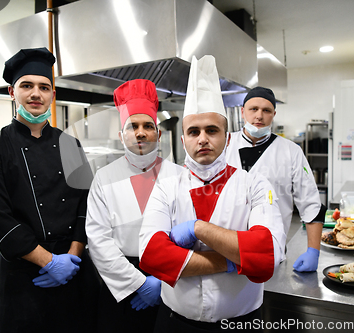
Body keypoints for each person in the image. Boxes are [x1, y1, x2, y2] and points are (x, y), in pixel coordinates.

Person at [138, 55, 286, 333]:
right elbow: (151, 255)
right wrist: (233, 261)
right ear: (183, 140)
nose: (202, 138)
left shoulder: (254, 185)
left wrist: (198, 229)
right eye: (193, 131)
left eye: (212, 130)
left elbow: (266, 258)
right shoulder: (166, 186)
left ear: (227, 138)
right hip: (175, 324)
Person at [0, 47, 99, 333]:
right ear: (12, 92)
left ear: (52, 96)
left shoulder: (70, 145)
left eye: (44, 87)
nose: (36, 94)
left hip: (73, 269)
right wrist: (50, 262)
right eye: (26, 85)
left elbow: (85, 206)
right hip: (23, 277)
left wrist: (72, 257)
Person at [86, 79, 183, 332]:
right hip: (121, 285)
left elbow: (189, 235)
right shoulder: (104, 177)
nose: (140, 132)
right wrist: (139, 284)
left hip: (170, 284)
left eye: (147, 126)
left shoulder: (179, 176)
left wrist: (162, 282)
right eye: (133, 126)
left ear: (158, 133)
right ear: (121, 135)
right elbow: (99, 241)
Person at [226, 86, 326, 272]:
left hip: (271, 253)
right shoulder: (224, 144)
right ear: (242, 112)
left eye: (266, 110)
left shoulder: (291, 151)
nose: (259, 116)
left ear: (274, 114)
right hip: (224, 251)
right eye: (253, 109)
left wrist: (313, 250)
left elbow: (311, 203)